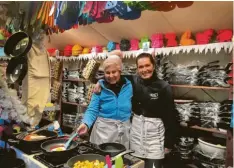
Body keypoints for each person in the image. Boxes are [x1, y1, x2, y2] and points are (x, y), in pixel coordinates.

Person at [94, 52, 178, 168]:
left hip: (155, 136)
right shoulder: (132, 81)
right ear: (137, 69)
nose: (145, 70)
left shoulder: (164, 86)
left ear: (153, 65)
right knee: (135, 165)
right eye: (141, 67)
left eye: (147, 65)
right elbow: (113, 74)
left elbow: (170, 116)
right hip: (136, 134)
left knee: (153, 166)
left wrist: (168, 143)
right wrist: (100, 81)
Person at [76, 55, 133, 148]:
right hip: (103, 132)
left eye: (114, 72)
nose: (111, 76)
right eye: (107, 73)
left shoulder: (129, 85)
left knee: (120, 159)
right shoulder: (100, 88)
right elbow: (92, 109)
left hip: (123, 131)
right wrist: (85, 123)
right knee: (102, 159)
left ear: (120, 71)